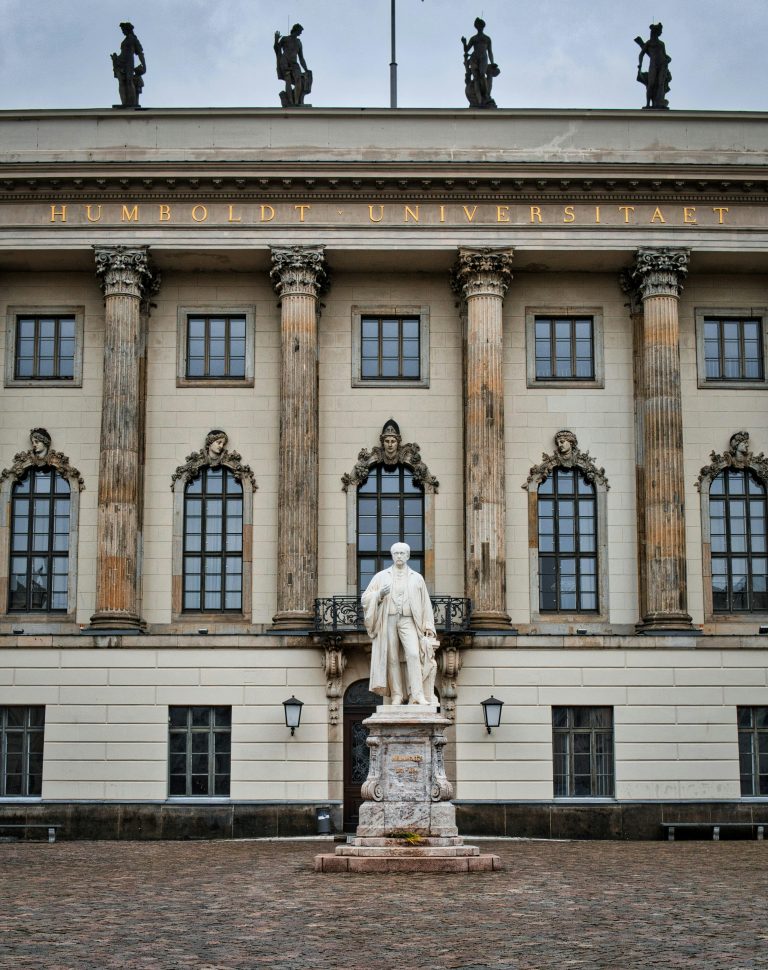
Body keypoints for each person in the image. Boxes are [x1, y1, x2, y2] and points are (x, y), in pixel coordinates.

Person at [362, 543, 438, 705]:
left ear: (408, 556)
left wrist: (429, 626)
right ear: (392, 555)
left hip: (408, 619)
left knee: (413, 654)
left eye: (402, 553)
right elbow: (365, 598)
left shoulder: (417, 578)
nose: (399, 556)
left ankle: (417, 694)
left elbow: (425, 604)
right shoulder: (381, 576)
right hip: (388, 619)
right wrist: (379, 595)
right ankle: (397, 694)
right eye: (396, 553)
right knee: (392, 657)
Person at [461, 18, 498, 109]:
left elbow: (490, 52)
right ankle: (480, 100)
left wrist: (492, 62)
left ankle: (486, 96)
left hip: (483, 58)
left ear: (482, 26)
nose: (479, 27)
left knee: (482, 75)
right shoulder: (474, 38)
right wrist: (464, 43)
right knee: (477, 78)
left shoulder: (487, 38)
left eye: (479, 25)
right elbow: (466, 49)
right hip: (474, 58)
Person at [635, 23, 671, 110]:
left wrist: (668, 59)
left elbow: (665, 55)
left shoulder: (662, 43)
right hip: (653, 65)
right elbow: (641, 54)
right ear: (655, 32)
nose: (661, 33)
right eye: (660, 31)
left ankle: (659, 102)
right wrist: (640, 64)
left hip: (662, 65)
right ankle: (648, 104)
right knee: (651, 84)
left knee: (660, 84)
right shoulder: (649, 43)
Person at [274, 24, 311, 107]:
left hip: (294, 63)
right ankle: (290, 102)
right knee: (288, 80)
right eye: (300, 31)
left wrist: (306, 69)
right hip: (285, 61)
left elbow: (301, 57)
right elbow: (277, 49)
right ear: (296, 30)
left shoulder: (299, 42)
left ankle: (297, 101)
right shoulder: (285, 39)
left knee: (299, 81)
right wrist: (276, 40)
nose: (300, 33)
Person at [111, 22, 146, 108]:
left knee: (129, 81)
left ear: (128, 29)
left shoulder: (133, 39)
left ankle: (132, 104)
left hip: (129, 62)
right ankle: (124, 103)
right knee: (121, 82)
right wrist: (115, 58)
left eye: (123, 30)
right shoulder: (125, 40)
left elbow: (140, 53)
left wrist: (144, 65)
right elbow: (123, 53)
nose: (123, 32)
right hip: (120, 62)